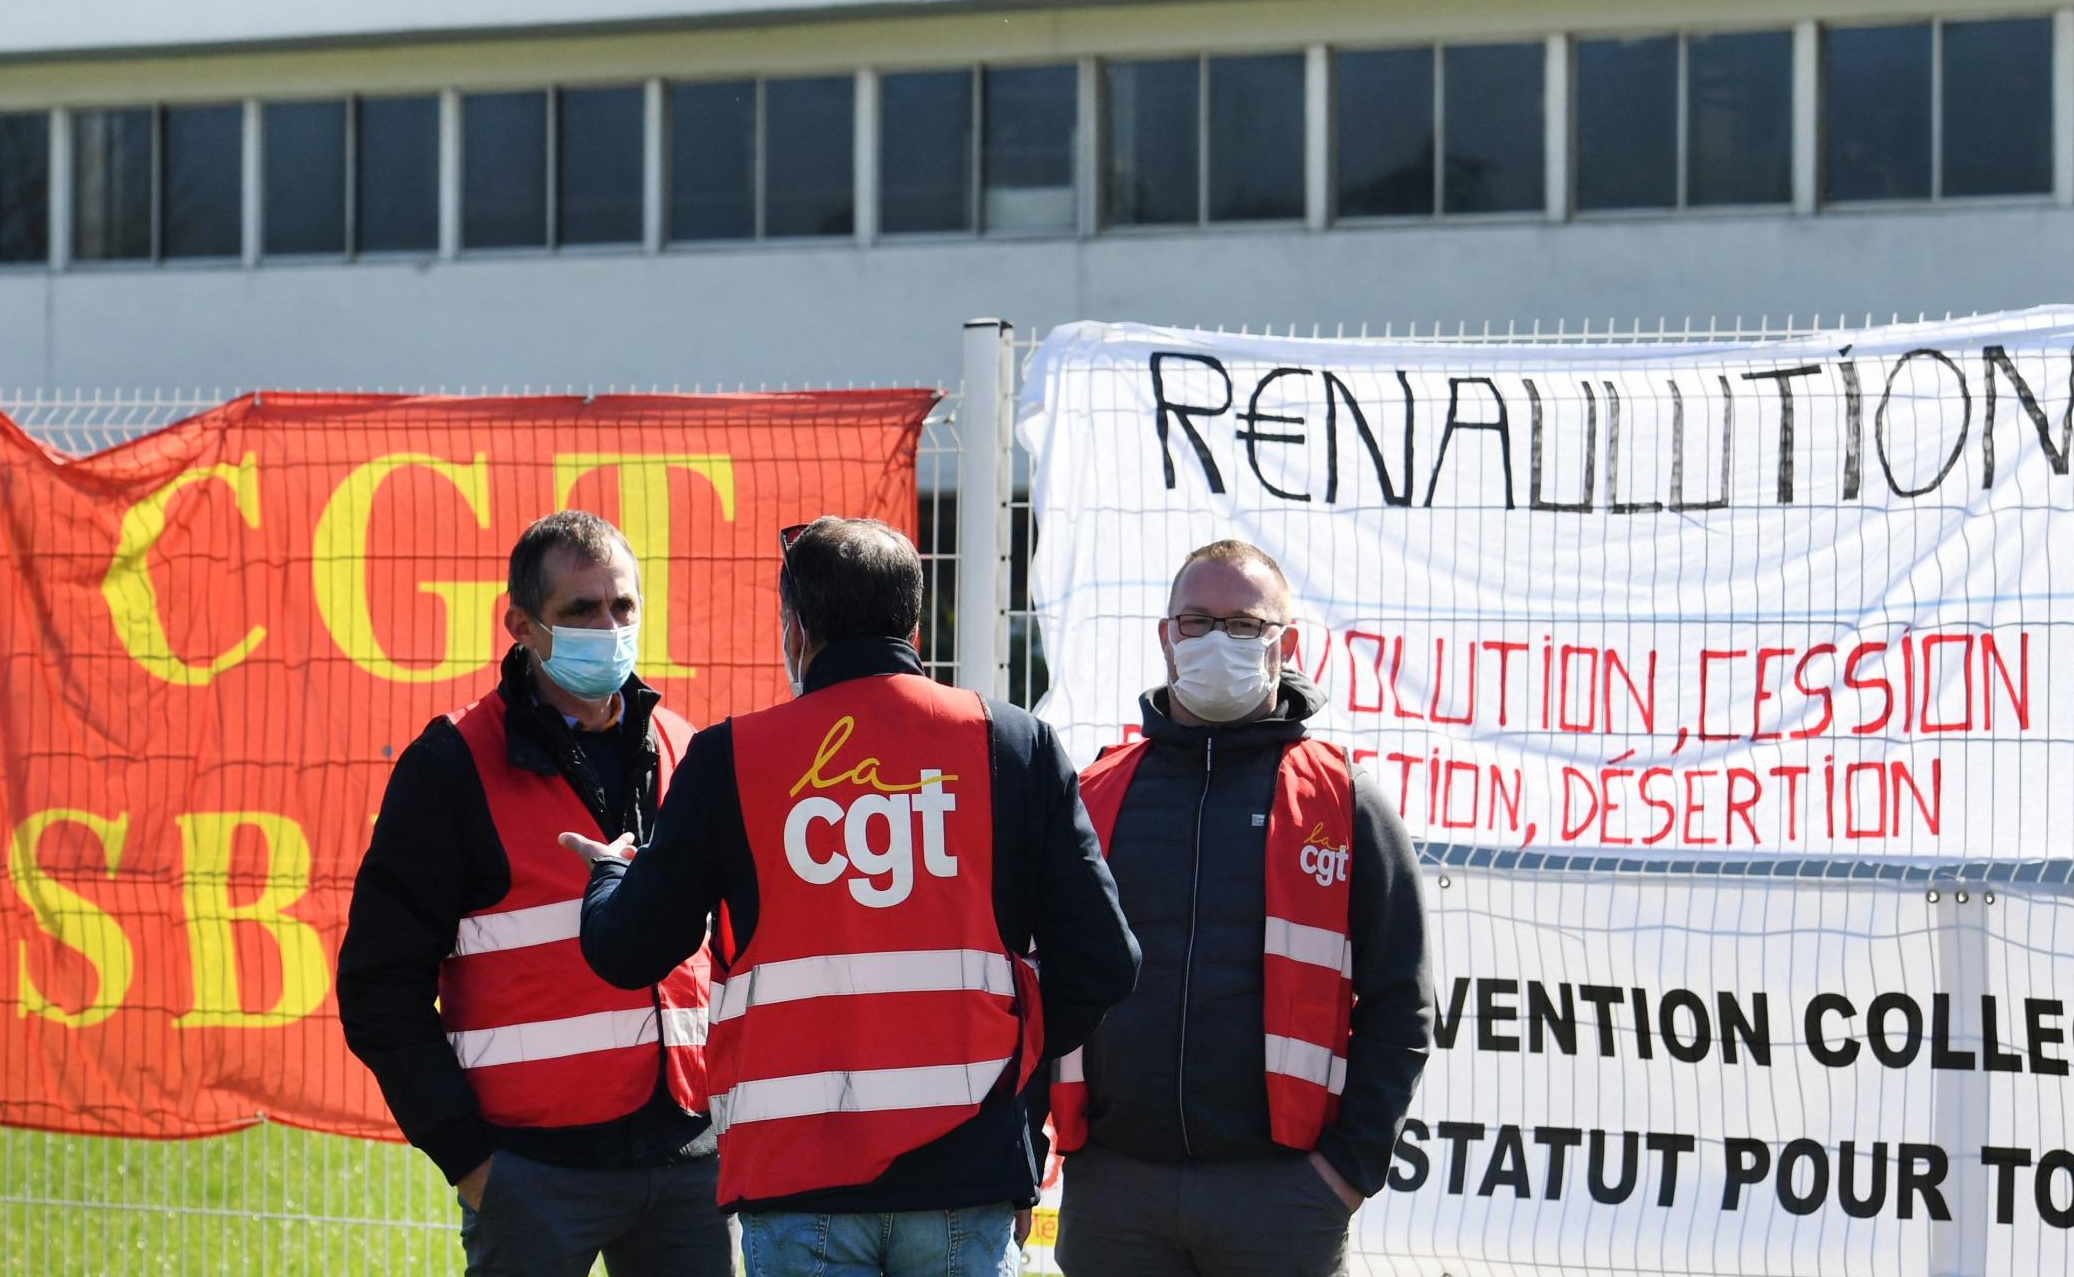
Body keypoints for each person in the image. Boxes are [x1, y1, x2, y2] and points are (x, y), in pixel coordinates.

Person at [565, 517, 1139, 1277]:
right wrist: (1010, 1055)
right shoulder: (1014, 744)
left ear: (798, 629)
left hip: (801, 1173)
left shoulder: (731, 757)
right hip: (968, 1169)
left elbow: (628, 946)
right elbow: (1104, 962)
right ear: (914, 621)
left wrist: (610, 873)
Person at [338, 510, 730, 1277]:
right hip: (530, 1171)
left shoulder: (687, 750)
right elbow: (378, 982)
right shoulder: (452, 765)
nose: (608, 626)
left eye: (622, 606)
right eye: (580, 610)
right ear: (520, 623)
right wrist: (470, 1160)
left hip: (686, 1159)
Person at [1047, 539, 1431, 1277]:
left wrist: (1345, 1173)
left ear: (1284, 644)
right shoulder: (1096, 793)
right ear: (1166, 637)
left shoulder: (1344, 800)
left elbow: (1401, 1003)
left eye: (1245, 624)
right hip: (1117, 1195)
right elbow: (1040, 976)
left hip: (1282, 1199)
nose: (1218, 638)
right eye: (1197, 620)